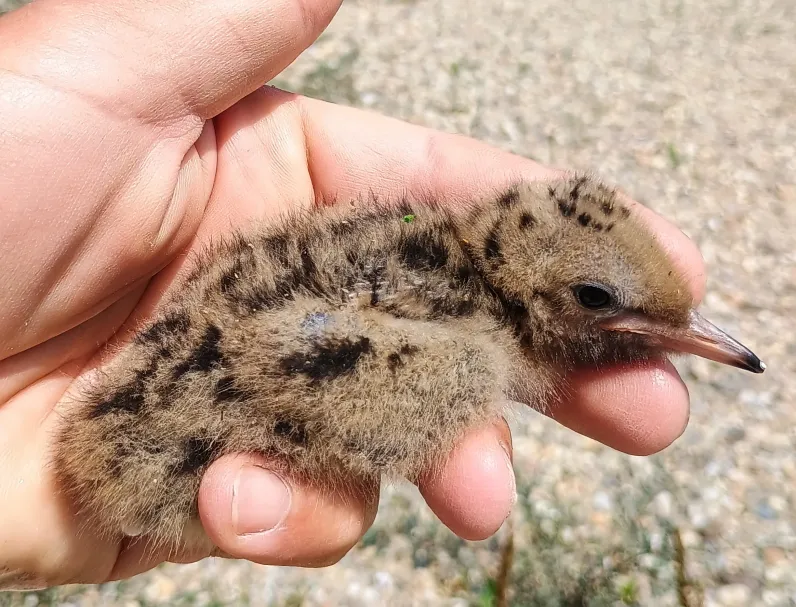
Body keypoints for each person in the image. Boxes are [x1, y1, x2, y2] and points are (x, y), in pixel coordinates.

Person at [0, 0, 704, 589]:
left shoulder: (402, 238)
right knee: (457, 377)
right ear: (537, 292)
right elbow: (272, 348)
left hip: (123, 426)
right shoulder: (462, 357)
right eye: (595, 297)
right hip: (140, 460)